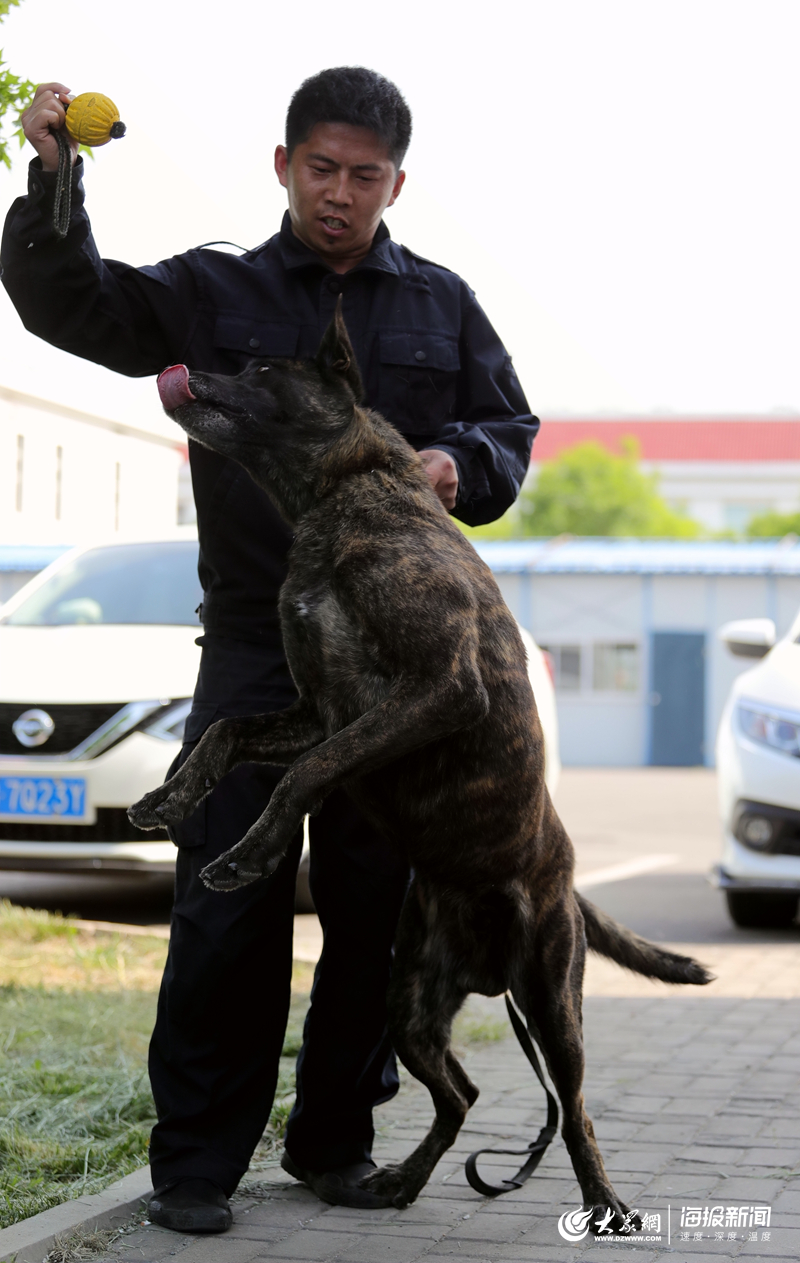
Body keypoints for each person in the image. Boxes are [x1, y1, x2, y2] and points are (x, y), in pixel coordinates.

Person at [2, 67, 539, 1235]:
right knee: (223, 906)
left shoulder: (439, 307)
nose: (341, 195)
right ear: (283, 165)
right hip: (256, 646)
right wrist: (53, 179)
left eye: (366, 176)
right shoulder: (213, 290)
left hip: (392, 665)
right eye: (322, 169)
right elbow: (75, 306)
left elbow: (507, 427)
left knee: (368, 907)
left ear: (397, 182)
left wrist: (460, 463)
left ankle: (333, 1144)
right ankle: (195, 1164)